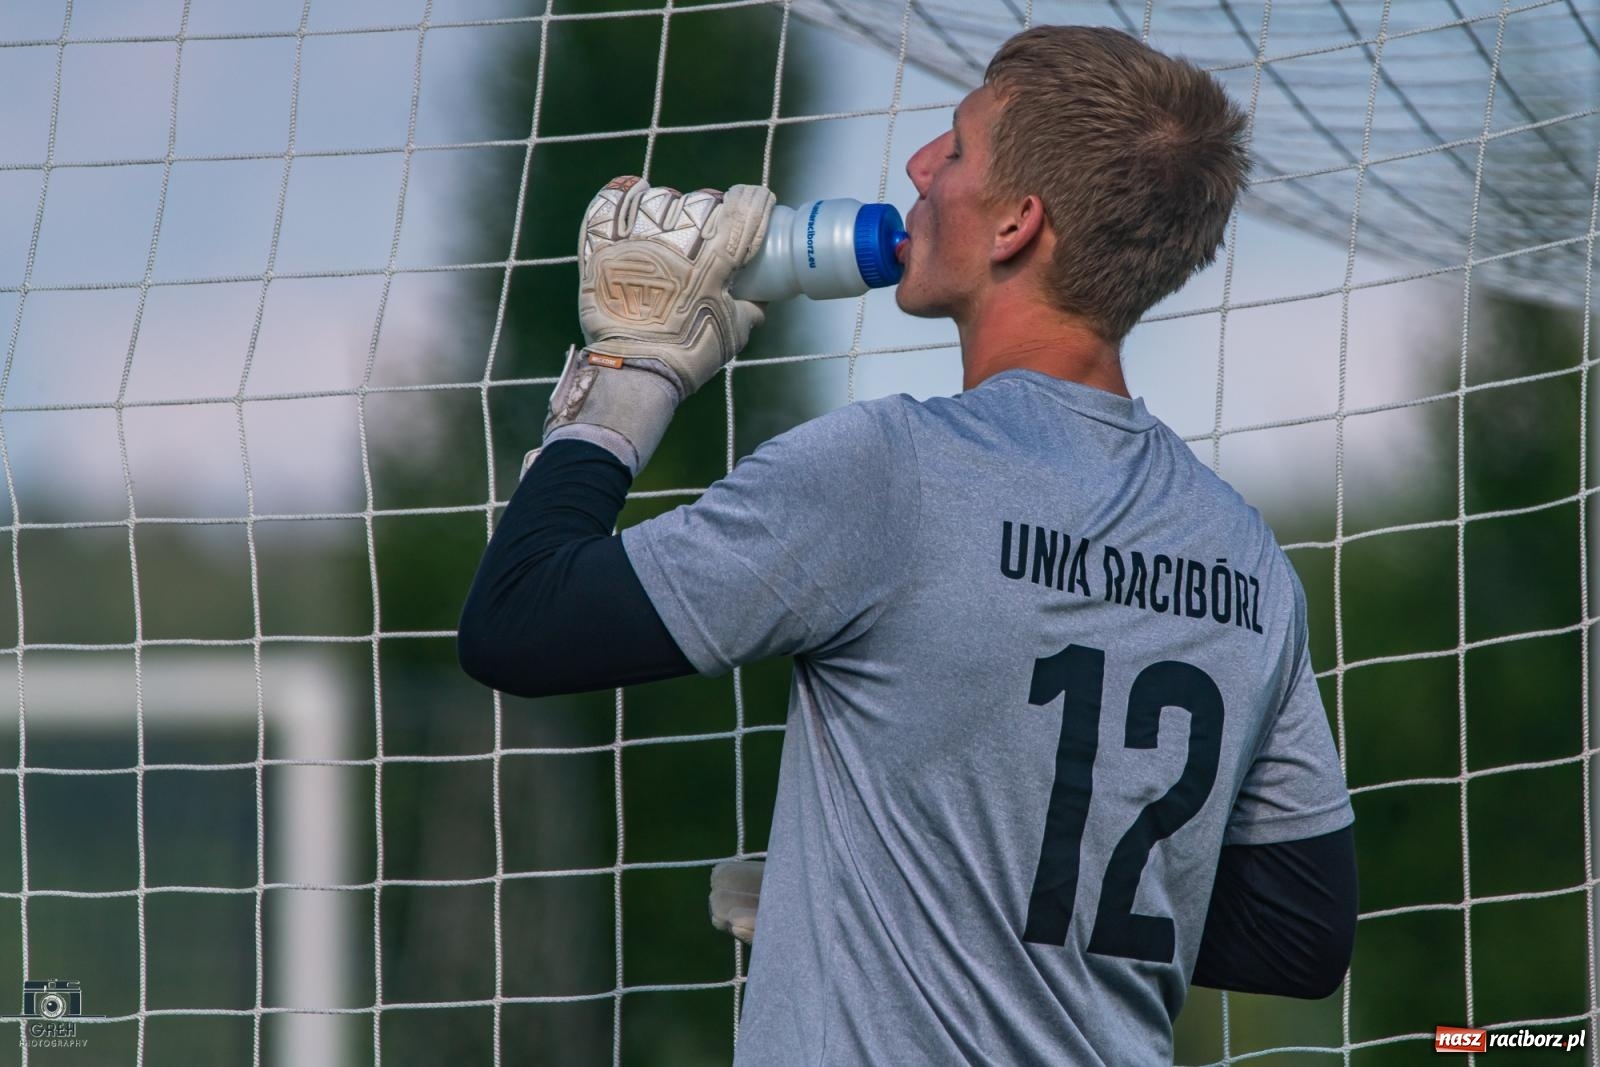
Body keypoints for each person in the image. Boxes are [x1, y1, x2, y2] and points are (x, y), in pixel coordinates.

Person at [458, 23, 1357, 1065]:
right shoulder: (1246, 558)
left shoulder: (891, 471)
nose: (920, 166)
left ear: (1017, 223)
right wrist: (908, 887)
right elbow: (1301, 934)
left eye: (958, 148)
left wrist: (629, 372)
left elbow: (519, 622)